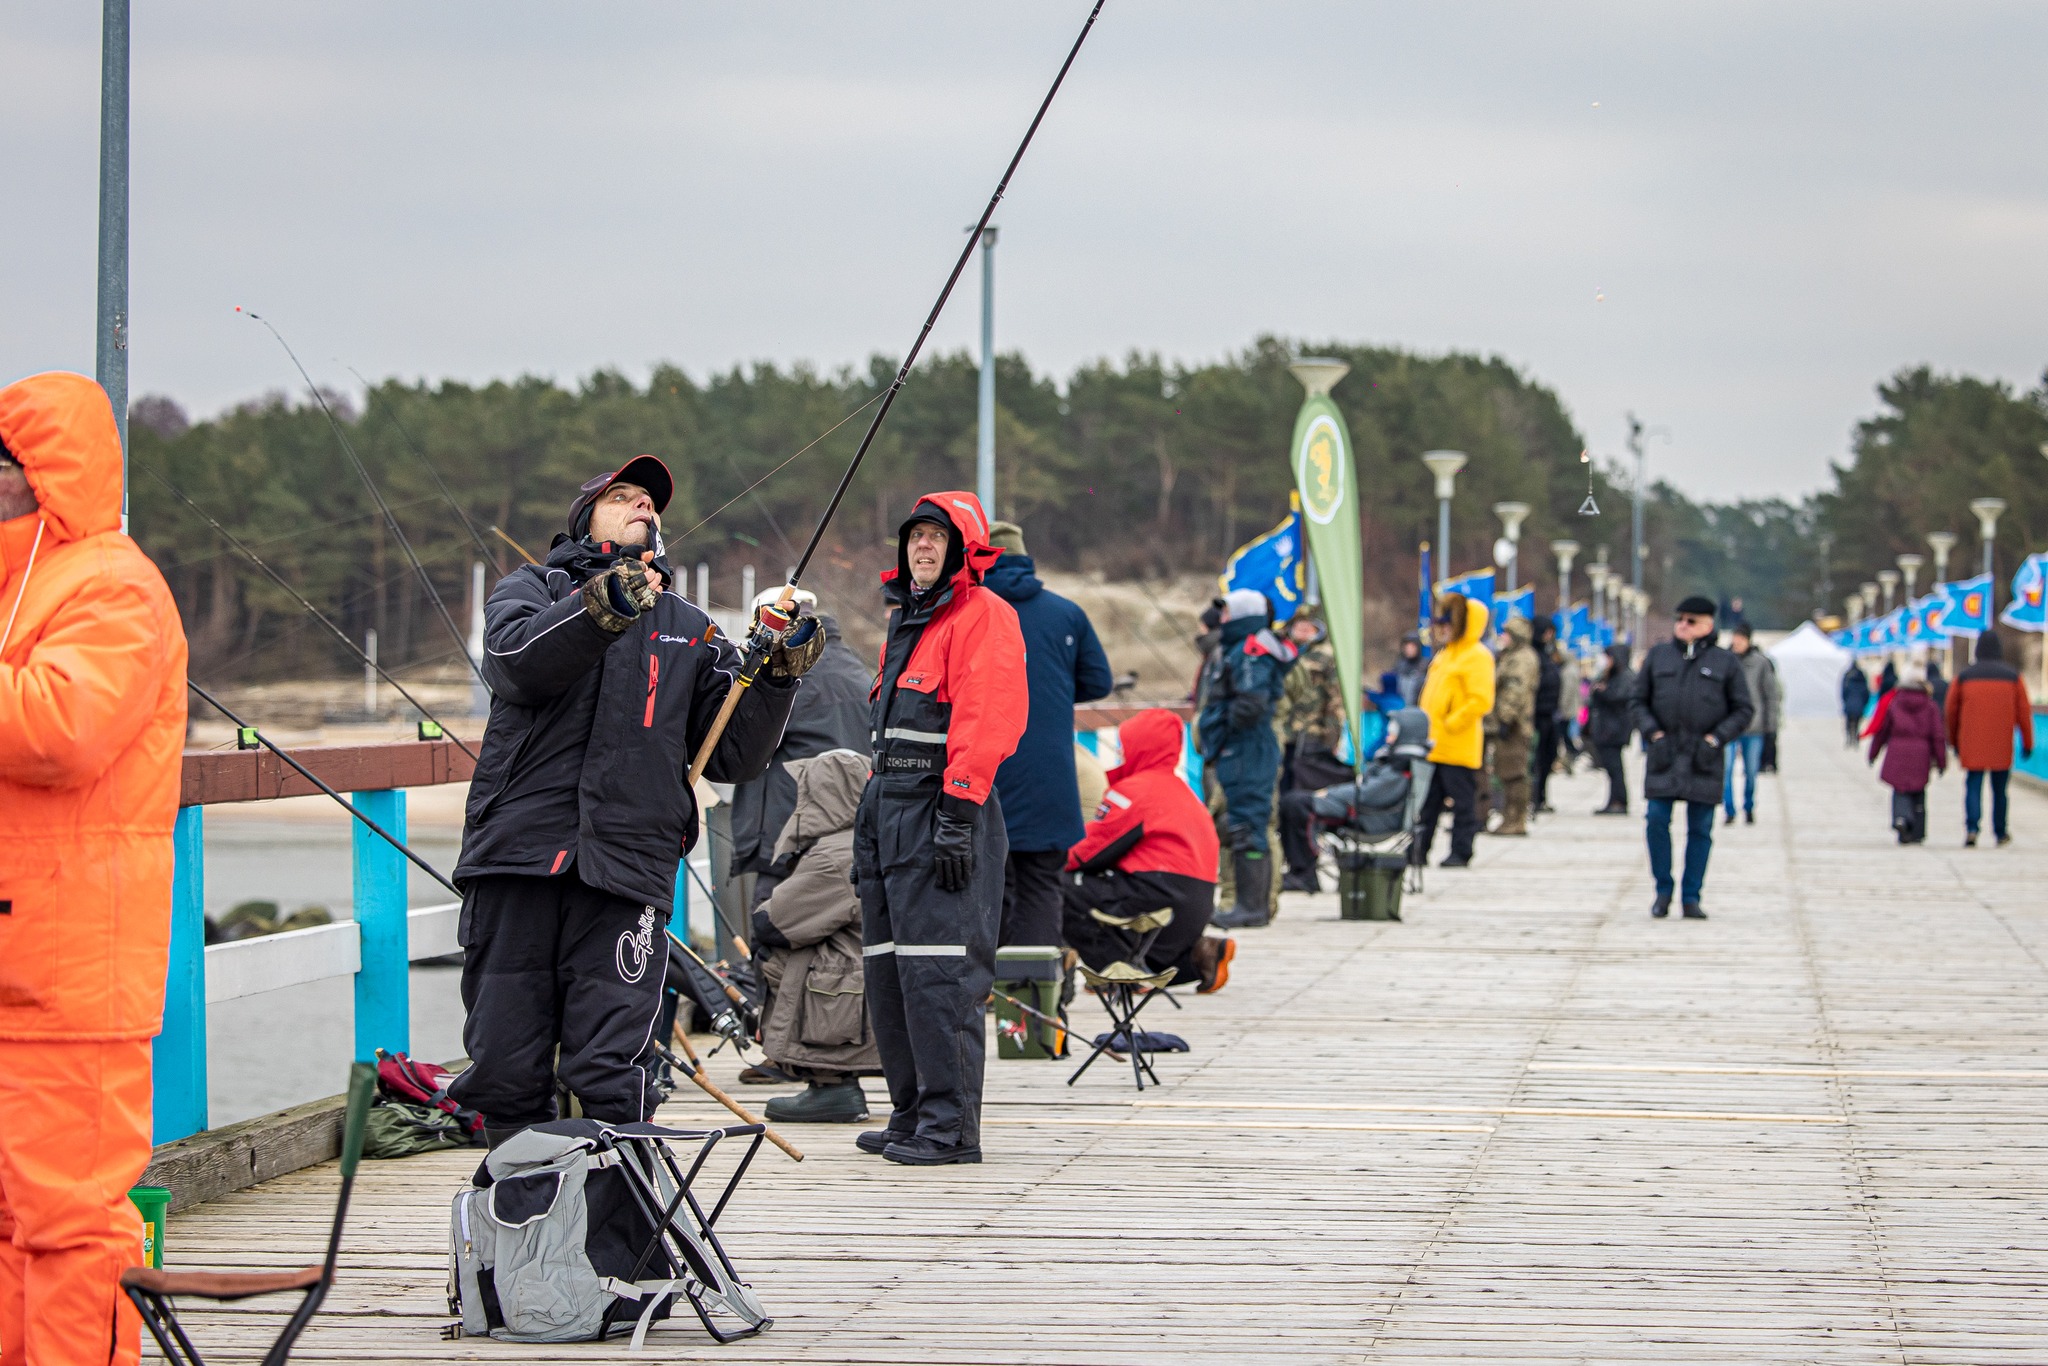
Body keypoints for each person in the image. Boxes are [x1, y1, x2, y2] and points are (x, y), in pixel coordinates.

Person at [450, 456, 813, 1142]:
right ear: (585, 518)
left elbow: (735, 754)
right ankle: (518, 1219)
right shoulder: (530, 590)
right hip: (519, 859)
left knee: (614, 1068)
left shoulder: (689, 626)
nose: (643, 506)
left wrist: (776, 674)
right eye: (624, 496)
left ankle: (617, 1227)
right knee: (504, 1059)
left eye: (651, 501)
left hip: (628, 869)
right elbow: (516, 664)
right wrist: (604, 606)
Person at [0, 373, 188, 1366]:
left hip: (70, 974)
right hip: (18, 959)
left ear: (39, 477)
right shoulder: (19, 587)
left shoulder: (112, 583)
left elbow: (60, 727)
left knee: (71, 1224)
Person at [855, 491, 1027, 1166]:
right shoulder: (906, 622)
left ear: (964, 549)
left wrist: (957, 813)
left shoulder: (984, 615)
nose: (922, 546)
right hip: (886, 811)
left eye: (936, 537)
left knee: (941, 974)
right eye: (914, 537)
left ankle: (951, 1128)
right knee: (889, 973)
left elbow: (987, 717)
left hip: (940, 811)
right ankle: (911, 1111)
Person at [982, 520, 1114, 952]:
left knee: (987, 887)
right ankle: (1040, 996)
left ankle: (988, 996)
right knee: (1042, 887)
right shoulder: (1065, 613)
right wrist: (1050, 688)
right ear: (1025, 558)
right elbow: (1098, 682)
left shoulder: (969, 611)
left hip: (986, 774)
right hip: (1050, 778)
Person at [1061, 709, 1232, 993]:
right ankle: (1198, 957)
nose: (1120, 751)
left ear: (1138, 747)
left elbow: (1087, 851)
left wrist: (1041, 861)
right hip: (1194, 906)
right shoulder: (1182, 792)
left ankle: (1121, 971)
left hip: (1159, 897)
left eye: (1124, 745)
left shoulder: (1134, 792)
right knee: (1113, 895)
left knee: (1058, 887)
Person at [752, 750, 881, 1123]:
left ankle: (830, 1084)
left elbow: (774, 924)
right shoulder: (869, 838)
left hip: (847, 989)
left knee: (776, 957)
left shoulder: (834, 854)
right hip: (874, 978)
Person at [729, 586, 872, 907]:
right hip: (850, 842)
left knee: (775, 937)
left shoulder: (784, 677)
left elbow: (741, 745)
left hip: (790, 841)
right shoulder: (858, 672)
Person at [1631, 595, 1753, 918]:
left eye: (1690, 621)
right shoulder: (1659, 657)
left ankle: (1691, 895)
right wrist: (1652, 733)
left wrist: (1717, 739)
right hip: (1665, 754)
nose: (1682, 625)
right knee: (1656, 820)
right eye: (1680, 619)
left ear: (1708, 625)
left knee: (1700, 829)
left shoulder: (1725, 662)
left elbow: (1743, 709)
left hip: (1703, 756)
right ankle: (1662, 889)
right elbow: (1637, 700)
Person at [1200, 589, 1298, 929]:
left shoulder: (1251, 651)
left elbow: (1251, 703)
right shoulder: (1241, 648)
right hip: (1243, 747)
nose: (1222, 621)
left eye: (1227, 614)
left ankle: (1251, 906)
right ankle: (1247, 903)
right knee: (1241, 823)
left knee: (1248, 825)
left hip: (1247, 747)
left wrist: (1223, 727)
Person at [1414, 595, 1494, 868]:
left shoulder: (1477, 656)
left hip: (1458, 742)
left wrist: (1452, 722)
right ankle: (1418, 850)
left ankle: (1461, 851)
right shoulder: (1445, 654)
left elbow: (1481, 699)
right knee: (1428, 802)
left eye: (1448, 623)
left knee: (1462, 801)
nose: (1443, 628)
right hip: (1434, 742)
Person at [1276, 613, 1348, 892]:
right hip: (1285, 737)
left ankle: (1305, 866)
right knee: (1283, 801)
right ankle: (1292, 863)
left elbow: (1335, 699)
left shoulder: (1325, 656)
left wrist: (1331, 737)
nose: (1304, 631)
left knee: (1301, 802)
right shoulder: (1284, 653)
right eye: (1299, 626)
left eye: (1309, 627)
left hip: (1312, 738)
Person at [1944, 632, 2034, 848]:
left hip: (1972, 742)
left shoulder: (1964, 677)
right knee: (2000, 790)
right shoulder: (2013, 677)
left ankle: (1972, 828)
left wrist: (1954, 740)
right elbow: (2024, 712)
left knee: (1973, 786)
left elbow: (1951, 711)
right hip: (2001, 743)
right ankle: (2001, 832)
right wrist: (2028, 742)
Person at [1869, 668, 1944, 844]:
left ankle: (1901, 818)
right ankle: (1917, 831)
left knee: (1900, 788)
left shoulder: (1895, 702)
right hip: (1921, 752)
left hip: (1897, 750)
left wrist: (1874, 752)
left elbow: (1883, 730)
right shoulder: (1930, 706)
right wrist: (1941, 760)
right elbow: (1938, 735)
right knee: (1918, 791)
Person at [1722, 624, 1781, 826]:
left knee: (1751, 771)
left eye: (1740, 638)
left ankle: (1749, 806)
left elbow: (1770, 696)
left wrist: (1771, 727)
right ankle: (1729, 809)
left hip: (1754, 726)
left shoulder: (1760, 663)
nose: (1736, 642)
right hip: (1728, 726)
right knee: (1726, 770)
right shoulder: (1725, 661)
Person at [1488, 615, 1539, 836]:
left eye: (1507, 633)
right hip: (1510, 722)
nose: (1502, 637)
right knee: (1506, 771)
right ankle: (1509, 817)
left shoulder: (1521, 659)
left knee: (1514, 773)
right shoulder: (1511, 656)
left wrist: (1505, 718)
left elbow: (1515, 691)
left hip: (1515, 725)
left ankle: (1515, 819)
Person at [1586, 644, 1634, 814]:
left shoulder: (1626, 677)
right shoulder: (1611, 676)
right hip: (1607, 728)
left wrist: (1602, 692)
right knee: (1611, 769)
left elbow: (1618, 698)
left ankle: (1619, 801)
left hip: (1614, 730)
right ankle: (1614, 800)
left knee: (1615, 769)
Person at [1530, 618, 1564, 814]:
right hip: (1536, 714)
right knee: (1536, 759)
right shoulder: (1534, 655)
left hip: (1549, 714)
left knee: (1548, 756)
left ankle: (1541, 796)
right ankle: (1535, 797)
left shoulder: (1549, 654)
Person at [1391, 631, 1428, 707]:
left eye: (1412, 646)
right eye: (1407, 646)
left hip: (1418, 708)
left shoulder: (1424, 665)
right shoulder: (1399, 666)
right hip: (1401, 708)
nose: (1409, 649)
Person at [1841, 661, 1871, 746]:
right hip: (1859, 704)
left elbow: (1843, 692)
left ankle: (1849, 738)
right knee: (1857, 723)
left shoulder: (1847, 677)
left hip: (1849, 704)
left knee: (1849, 721)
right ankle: (1855, 738)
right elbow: (1866, 693)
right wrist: (1865, 703)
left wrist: (1845, 701)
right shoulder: (1862, 678)